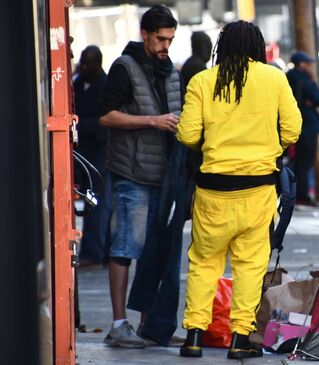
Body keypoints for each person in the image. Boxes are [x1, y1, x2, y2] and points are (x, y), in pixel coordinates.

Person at [176, 20, 301, 359]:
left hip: (212, 191)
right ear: (256, 47)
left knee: (203, 262)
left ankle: (194, 337)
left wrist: (214, 143)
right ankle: (239, 341)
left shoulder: (202, 80)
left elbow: (187, 135)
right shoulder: (273, 77)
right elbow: (292, 130)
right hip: (257, 190)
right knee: (249, 264)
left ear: (222, 47)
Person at [98, 5, 190, 348]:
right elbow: (105, 116)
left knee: (156, 251)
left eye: (171, 39)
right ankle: (119, 324)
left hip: (163, 177)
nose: (166, 45)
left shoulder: (170, 72)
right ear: (146, 34)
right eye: (161, 38)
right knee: (126, 246)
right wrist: (153, 121)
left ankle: (150, 324)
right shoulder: (124, 67)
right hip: (132, 173)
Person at [74, 45, 111, 266]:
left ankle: (97, 250)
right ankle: (98, 249)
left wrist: (80, 126)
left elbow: (101, 121)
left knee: (99, 202)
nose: (84, 66)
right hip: (85, 151)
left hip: (99, 150)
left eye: (89, 62)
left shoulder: (104, 86)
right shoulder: (79, 82)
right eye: (83, 62)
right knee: (94, 201)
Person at [286, 51, 319, 207]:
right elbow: (318, 99)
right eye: (307, 63)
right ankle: (303, 196)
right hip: (308, 124)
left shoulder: (287, 79)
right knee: (305, 163)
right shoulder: (305, 81)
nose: (309, 66)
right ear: (301, 64)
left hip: (293, 124)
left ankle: (299, 195)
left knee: (298, 162)